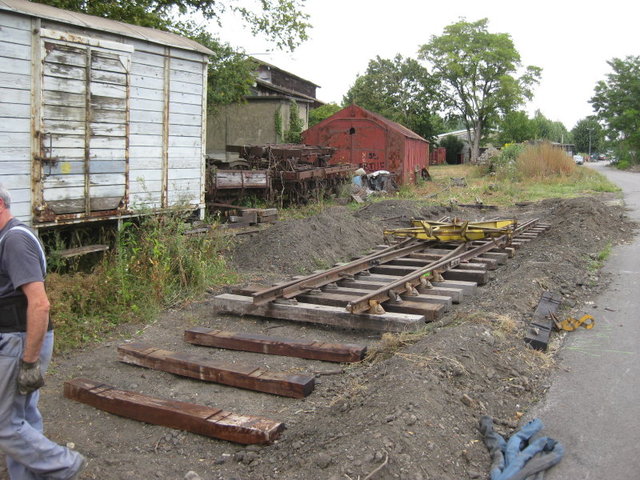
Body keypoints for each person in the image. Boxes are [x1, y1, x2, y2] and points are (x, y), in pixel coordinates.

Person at [0, 184, 86, 479]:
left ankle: (63, 464)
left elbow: (39, 304)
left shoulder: (14, 240)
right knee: (23, 416)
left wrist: (29, 361)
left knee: (6, 424)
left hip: (19, 340)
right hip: (17, 338)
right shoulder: (8, 237)